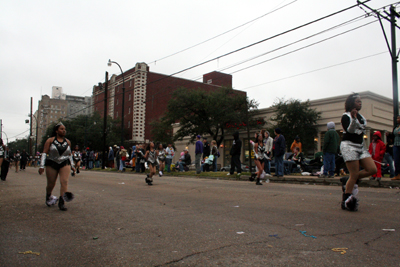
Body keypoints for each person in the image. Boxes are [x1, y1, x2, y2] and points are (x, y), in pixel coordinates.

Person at [340, 93, 377, 211]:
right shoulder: (346, 116)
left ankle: (348, 180)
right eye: (357, 101)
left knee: (372, 169)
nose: (360, 103)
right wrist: (354, 118)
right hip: (349, 146)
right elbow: (350, 131)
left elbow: (361, 131)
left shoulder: (362, 117)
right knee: (354, 174)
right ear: (351, 103)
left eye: (360, 101)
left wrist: (357, 118)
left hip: (361, 146)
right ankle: (346, 200)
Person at [38, 122, 75, 211]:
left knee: (64, 182)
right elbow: (44, 153)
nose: (63, 131)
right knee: (51, 184)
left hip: (64, 163)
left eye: (64, 129)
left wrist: (73, 165)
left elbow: (69, 154)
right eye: (61, 129)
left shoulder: (68, 142)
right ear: (56, 131)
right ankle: (48, 195)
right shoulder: (50, 140)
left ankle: (62, 202)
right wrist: (42, 166)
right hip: (52, 163)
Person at [392, 115, 400, 180]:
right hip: (396, 144)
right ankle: (397, 174)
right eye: (397, 118)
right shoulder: (396, 127)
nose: (397, 119)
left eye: (399, 118)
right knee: (396, 160)